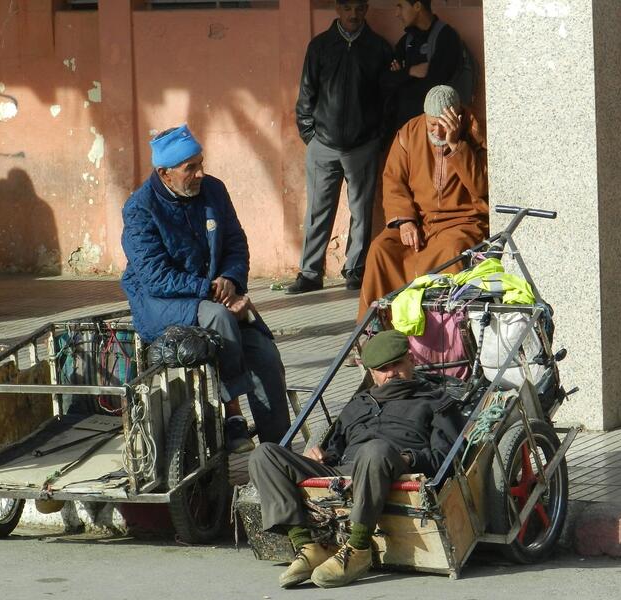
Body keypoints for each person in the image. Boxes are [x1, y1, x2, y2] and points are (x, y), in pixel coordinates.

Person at [120, 124, 291, 454]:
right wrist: (210, 290)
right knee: (219, 318)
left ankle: (280, 453)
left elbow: (235, 243)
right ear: (165, 174)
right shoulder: (140, 209)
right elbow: (155, 277)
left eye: (200, 163)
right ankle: (234, 414)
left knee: (265, 355)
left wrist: (231, 280)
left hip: (213, 295)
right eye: (190, 168)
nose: (200, 173)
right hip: (160, 303)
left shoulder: (214, 190)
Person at [248, 329, 462, 588]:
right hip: (344, 471)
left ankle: (358, 548)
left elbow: (447, 458)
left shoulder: (436, 401)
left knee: (374, 450)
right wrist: (320, 453)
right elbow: (335, 450)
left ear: (411, 361)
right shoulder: (358, 403)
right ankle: (306, 545)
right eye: (383, 369)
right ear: (372, 374)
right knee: (265, 454)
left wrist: (408, 458)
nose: (392, 373)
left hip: (397, 467)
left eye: (397, 364)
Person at [286, 0, 393, 295]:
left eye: (359, 8)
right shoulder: (320, 46)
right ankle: (309, 273)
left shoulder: (379, 48)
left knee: (361, 211)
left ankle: (355, 270)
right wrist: (310, 134)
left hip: (363, 146)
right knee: (318, 211)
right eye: (347, 8)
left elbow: (388, 99)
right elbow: (307, 91)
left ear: (366, 9)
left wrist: (377, 140)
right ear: (337, 8)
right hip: (323, 144)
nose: (353, 15)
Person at [357, 85, 488, 321]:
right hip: (420, 221)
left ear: (457, 118)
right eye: (431, 124)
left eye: (443, 125)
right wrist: (405, 220)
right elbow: (393, 181)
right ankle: (375, 331)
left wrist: (457, 144)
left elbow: (481, 186)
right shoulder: (409, 132)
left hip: (462, 223)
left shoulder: (476, 132)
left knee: (453, 252)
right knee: (381, 250)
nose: (436, 131)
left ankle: (442, 336)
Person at [385, 0, 464, 132]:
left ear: (417, 6)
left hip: (436, 131)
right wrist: (410, 71)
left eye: (400, 6)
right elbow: (385, 80)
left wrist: (400, 77)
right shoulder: (407, 40)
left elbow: (435, 88)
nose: (396, 13)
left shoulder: (446, 37)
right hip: (405, 130)